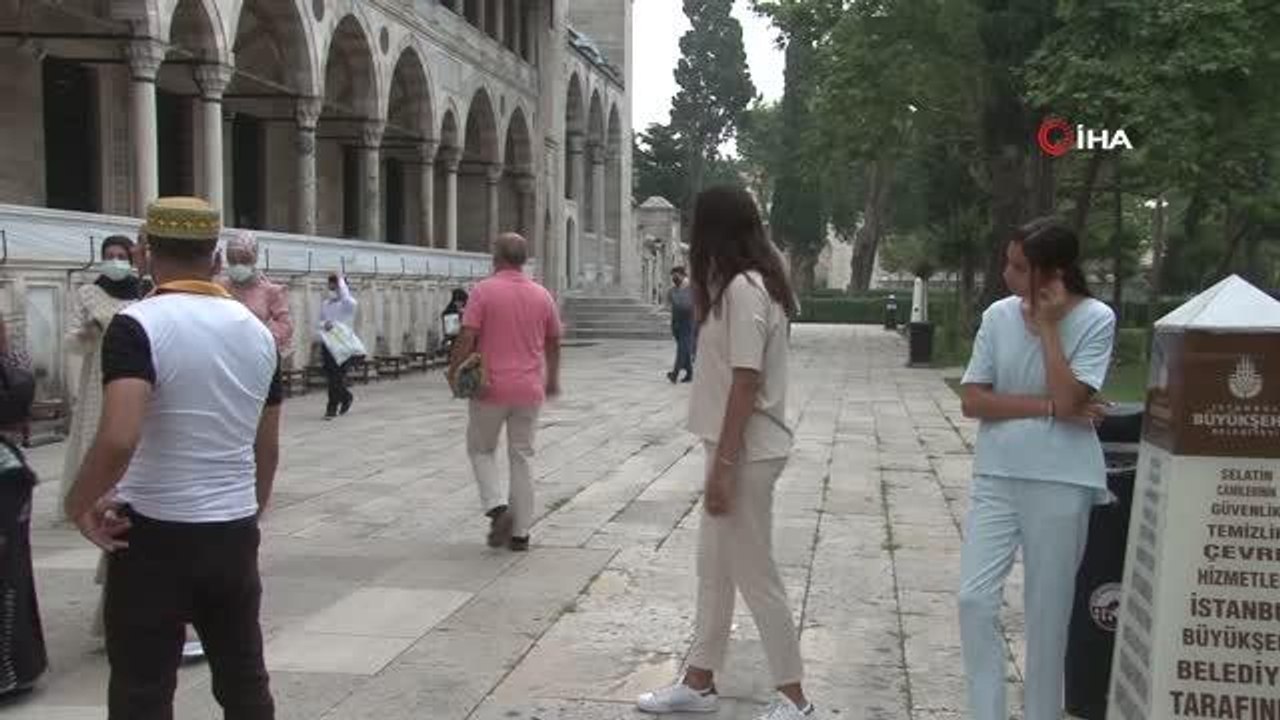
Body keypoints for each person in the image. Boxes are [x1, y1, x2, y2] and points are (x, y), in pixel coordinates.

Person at [64, 196, 282, 720]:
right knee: (244, 682)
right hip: (231, 531)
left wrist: (78, 503)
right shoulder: (258, 333)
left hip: (153, 534)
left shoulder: (137, 324)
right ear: (216, 258)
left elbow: (119, 436)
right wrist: (247, 512)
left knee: (142, 689)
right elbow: (267, 447)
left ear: (144, 253)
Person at [637, 186, 814, 720]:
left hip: (748, 451)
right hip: (734, 445)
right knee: (713, 567)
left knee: (755, 572)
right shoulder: (741, 285)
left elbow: (745, 381)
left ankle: (795, 697)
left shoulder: (745, 288)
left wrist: (725, 468)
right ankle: (699, 680)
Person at [957, 218, 1115, 720]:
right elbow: (973, 400)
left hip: (1062, 480)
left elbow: (1071, 397)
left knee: (1047, 615)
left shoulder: (1096, 319)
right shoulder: (998, 316)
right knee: (973, 600)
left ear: (1055, 273)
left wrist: (1048, 328)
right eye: (1008, 262)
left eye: (1020, 267)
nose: (1008, 275)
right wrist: (1046, 408)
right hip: (997, 474)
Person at [449, 233, 561, 553]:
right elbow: (554, 341)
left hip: (490, 387)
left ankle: (497, 509)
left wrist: (455, 372)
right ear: (523, 259)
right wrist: (552, 379)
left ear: (496, 257)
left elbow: (467, 336)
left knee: (480, 449)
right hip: (529, 388)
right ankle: (521, 533)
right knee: (522, 456)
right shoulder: (542, 294)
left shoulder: (484, 291)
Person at [60, 235, 143, 642]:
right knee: (103, 435)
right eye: (109, 256)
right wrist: (90, 331)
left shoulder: (145, 293)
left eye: (121, 256)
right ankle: (91, 491)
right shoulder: (89, 294)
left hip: (135, 382)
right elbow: (72, 342)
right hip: (100, 376)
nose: (115, 262)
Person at [0, 313, 46, 698]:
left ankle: (12, 667)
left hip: (6, 473)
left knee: (8, 568)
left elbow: (19, 388)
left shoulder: (9, 361)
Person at [218, 230, 295, 359]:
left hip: (259, 355)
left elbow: (286, 327)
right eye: (233, 261)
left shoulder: (271, 291)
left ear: (253, 260)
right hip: (226, 355)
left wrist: (261, 332)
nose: (238, 265)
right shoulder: (220, 288)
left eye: (243, 261)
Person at [318, 273, 358, 419]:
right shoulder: (326, 304)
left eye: (335, 285)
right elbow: (320, 322)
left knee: (337, 376)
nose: (332, 288)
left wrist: (340, 279)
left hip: (342, 345)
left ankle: (331, 408)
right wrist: (324, 324)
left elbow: (346, 298)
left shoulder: (349, 304)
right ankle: (346, 397)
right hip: (328, 344)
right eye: (330, 284)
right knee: (331, 377)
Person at [667, 266, 695, 383]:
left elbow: (687, 306)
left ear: (683, 275)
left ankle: (675, 373)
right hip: (676, 323)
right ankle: (689, 373)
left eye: (676, 275)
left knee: (682, 348)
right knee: (684, 348)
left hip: (688, 322)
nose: (674, 278)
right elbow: (671, 305)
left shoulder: (691, 289)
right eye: (673, 276)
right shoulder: (672, 290)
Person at [441, 288, 468, 355]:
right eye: (457, 301)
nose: (459, 304)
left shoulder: (467, 309)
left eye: (461, 302)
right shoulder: (449, 310)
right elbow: (449, 328)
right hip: (453, 338)